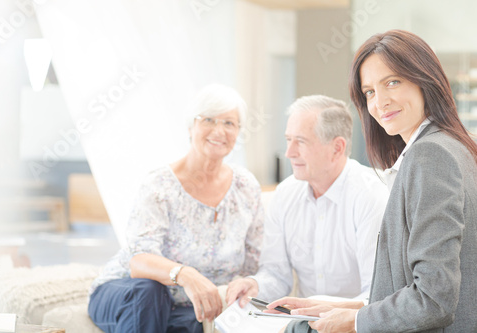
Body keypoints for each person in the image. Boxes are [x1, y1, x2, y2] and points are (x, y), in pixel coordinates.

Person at [270, 29, 477, 333]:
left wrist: (354, 322)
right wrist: (339, 307)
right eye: (369, 92)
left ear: (425, 80)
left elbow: (434, 300)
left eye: (392, 82)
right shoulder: (454, 146)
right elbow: (412, 287)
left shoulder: (431, 156)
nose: (380, 102)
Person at [88, 84, 264, 333]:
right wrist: (186, 275)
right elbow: (139, 261)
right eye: (209, 120)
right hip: (128, 291)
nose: (219, 130)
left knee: (195, 323)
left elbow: (253, 263)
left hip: (185, 307)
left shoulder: (246, 187)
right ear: (191, 126)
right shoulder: (159, 185)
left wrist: (243, 286)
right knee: (149, 293)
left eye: (229, 123)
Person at [225, 95, 389, 308]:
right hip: (302, 323)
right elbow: (276, 274)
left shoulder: (372, 197)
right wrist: (255, 285)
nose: (289, 152)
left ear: (337, 148)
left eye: (300, 141)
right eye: (288, 140)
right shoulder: (284, 194)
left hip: (356, 324)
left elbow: (377, 296)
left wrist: (325, 311)